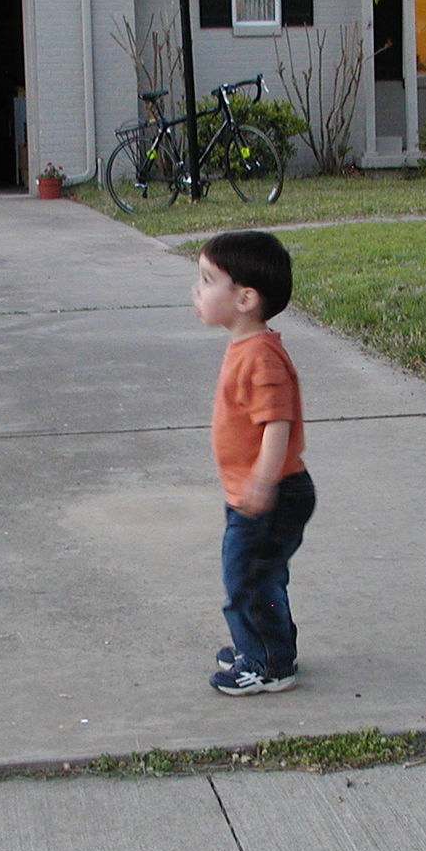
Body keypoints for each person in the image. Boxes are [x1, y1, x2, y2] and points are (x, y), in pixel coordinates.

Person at [191, 231, 316, 695]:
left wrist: (262, 485)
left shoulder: (261, 356)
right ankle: (265, 646)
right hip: (255, 491)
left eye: (207, 280)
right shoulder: (247, 345)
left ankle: (267, 664)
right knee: (258, 574)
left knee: (247, 579)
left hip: (270, 493)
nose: (197, 291)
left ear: (245, 298)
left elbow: (277, 424)